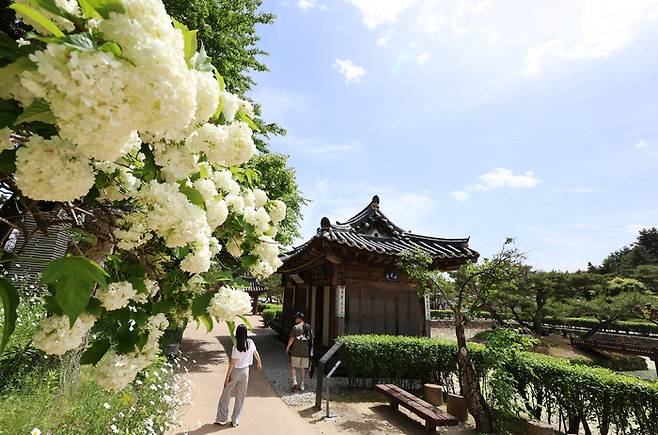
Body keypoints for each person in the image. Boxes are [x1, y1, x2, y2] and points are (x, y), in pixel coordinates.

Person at [215, 324, 262, 427]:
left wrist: (227, 377)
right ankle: (235, 420)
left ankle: (222, 418)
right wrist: (259, 362)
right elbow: (256, 353)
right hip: (245, 372)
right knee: (240, 397)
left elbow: (233, 363)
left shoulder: (236, 346)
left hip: (236, 371)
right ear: (245, 333)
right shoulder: (250, 342)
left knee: (226, 394)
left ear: (237, 333)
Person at [285, 312, 313, 392]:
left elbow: (291, 339)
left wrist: (288, 347)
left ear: (300, 319)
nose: (295, 319)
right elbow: (311, 338)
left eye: (296, 318)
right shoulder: (308, 327)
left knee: (293, 366)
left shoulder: (296, 327)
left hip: (296, 351)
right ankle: (302, 384)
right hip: (305, 352)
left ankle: (294, 381)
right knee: (303, 368)